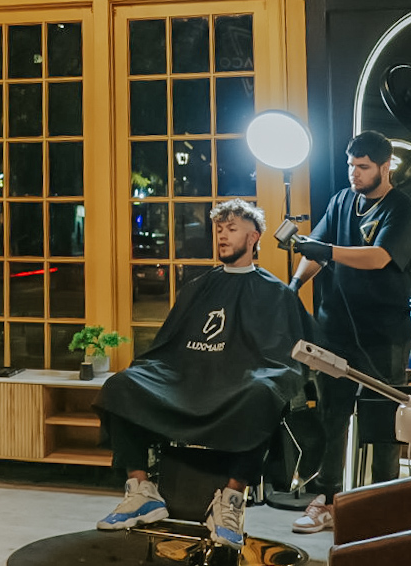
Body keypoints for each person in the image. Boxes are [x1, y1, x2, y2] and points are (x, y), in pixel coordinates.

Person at [93, 199, 315, 550]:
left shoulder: (275, 293)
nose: (223, 237)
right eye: (220, 230)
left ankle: (231, 498)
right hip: (189, 378)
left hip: (240, 383)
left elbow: (286, 356)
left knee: (264, 393)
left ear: (254, 237)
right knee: (120, 384)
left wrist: (259, 374)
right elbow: (169, 346)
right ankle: (141, 490)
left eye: (232, 230)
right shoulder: (199, 287)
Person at [285, 130, 411, 535]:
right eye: (350, 165)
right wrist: (294, 287)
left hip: (384, 331)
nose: (355, 173)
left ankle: (381, 507)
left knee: (382, 423)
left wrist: (327, 252)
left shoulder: (402, 207)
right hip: (334, 330)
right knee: (332, 416)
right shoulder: (341, 201)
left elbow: (379, 257)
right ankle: (326, 501)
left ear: (384, 166)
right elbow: (316, 250)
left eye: (363, 167)